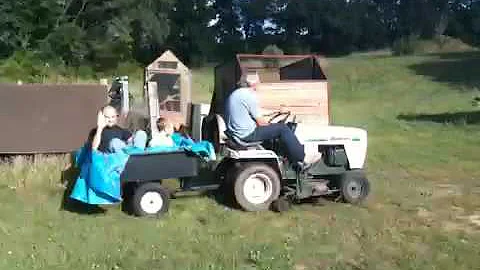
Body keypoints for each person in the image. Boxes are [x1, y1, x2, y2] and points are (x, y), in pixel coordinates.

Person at [224, 72, 314, 171]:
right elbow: (261, 122)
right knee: (283, 128)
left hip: (236, 133)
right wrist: (272, 125)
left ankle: (286, 159)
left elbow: (256, 112)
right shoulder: (249, 96)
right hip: (246, 134)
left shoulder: (236, 94)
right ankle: (300, 159)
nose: (259, 85)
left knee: (276, 128)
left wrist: (276, 113)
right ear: (253, 84)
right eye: (258, 82)